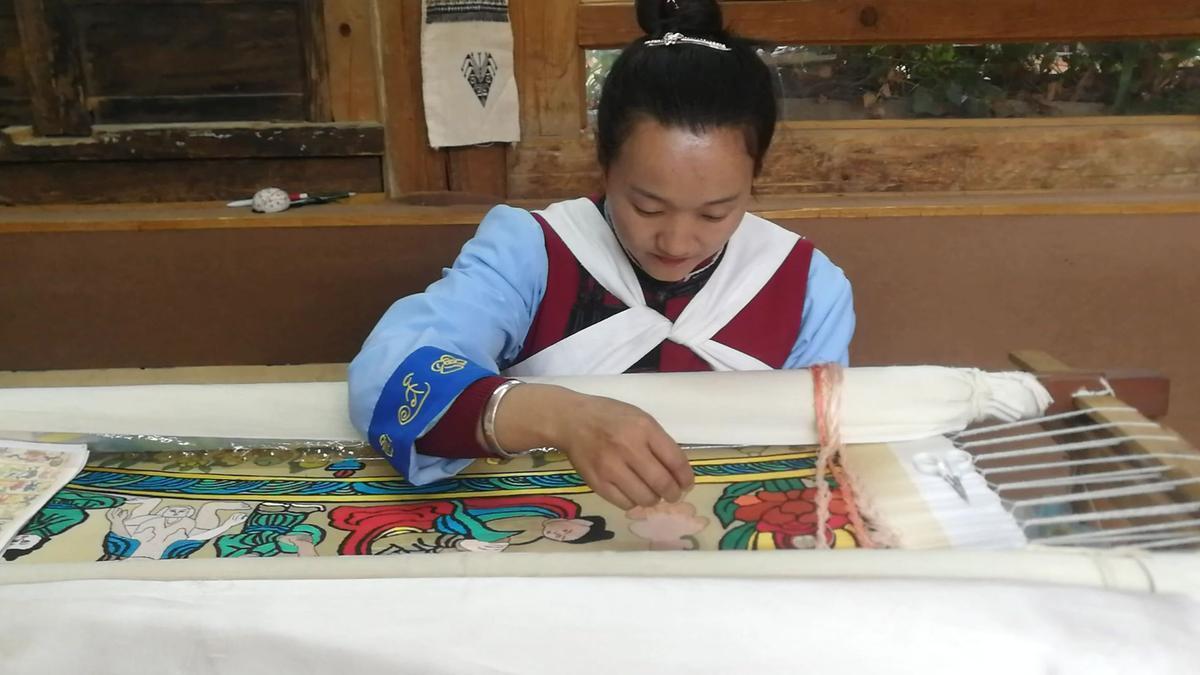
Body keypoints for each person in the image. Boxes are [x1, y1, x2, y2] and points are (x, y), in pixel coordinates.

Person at [349, 0, 854, 510]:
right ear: (604, 161)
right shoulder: (535, 252)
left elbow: (817, 446)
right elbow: (391, 376)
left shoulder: (805, 286)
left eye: (714, 213)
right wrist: (562, 416)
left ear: (755, 176)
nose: (677, 243)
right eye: (647, 206)